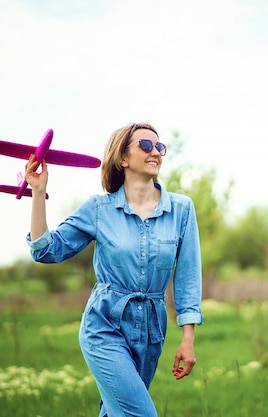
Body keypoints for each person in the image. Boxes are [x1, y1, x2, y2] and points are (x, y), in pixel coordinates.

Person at [24, 122, 204, 416]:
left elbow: (188, 277)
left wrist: (188, 338)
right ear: (122, 158)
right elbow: (46, 250)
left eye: (160, 147)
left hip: (151, 332)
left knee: (115, 412)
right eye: (145, 146)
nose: (155, 152)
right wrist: (38, 192)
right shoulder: (99, 209)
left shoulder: (181, 210)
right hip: (104, 326)